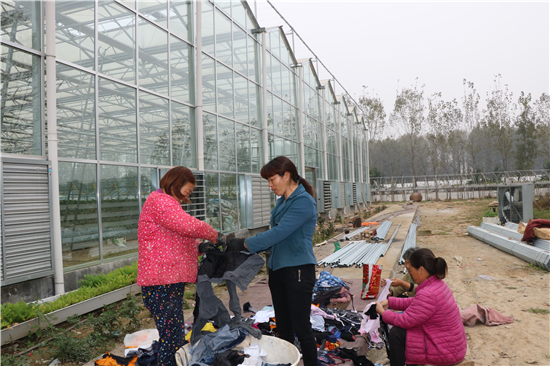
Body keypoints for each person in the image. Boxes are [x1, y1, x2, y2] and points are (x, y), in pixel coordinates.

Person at [225, 156, 318, 366]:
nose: (269, 185)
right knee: (284, 325)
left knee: (301, 327)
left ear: (286, 175)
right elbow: (275, 238)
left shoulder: (303, 202)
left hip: (298, 271)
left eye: (271, 179)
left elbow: (279, 233)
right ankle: (287, 362)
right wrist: (243, 250)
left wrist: (245, 243)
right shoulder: (282, 202)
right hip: (278, 270)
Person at [137, 166, 219, 366]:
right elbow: (187, 225)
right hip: (160, 282)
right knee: (171, 335)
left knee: (172, 332)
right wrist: (215, 235)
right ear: (176, 182)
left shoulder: (167, 204)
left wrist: (200, 247)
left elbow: (175, 238)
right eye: (187, 190)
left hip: (167, 280)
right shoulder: (160, 202)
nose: (187, 195)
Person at [375, 248, 467, 366]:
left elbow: (405, 320)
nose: (411, 274)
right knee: (406, 335)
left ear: (422, 270)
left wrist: (382, 312)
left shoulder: (428, 292)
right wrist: (390, 302)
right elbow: (416, 302)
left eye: (412, 270)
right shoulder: (437, 284)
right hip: (451, 344)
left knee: (396, 334)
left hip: (446, 351)